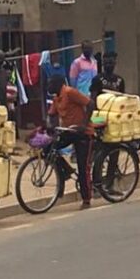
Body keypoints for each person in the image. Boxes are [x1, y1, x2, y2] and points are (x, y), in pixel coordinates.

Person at [46, 74, 94, 208]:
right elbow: (51, 114)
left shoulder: (70, 92)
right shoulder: (56, 98)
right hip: (69, 131)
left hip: (82, 133)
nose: (48, 86)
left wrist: (84, 125)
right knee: (48, 148)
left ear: (58, 84)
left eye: (50, 83)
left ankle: (86, 199)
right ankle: (65, 172)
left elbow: (90, 104)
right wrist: (49, 128)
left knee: (82, 166)